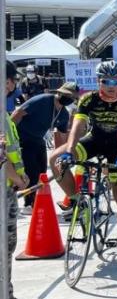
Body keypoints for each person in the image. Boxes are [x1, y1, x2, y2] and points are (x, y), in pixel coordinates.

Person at [50, 60, 117, 260]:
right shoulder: (87, 99)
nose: (111, 87)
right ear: (98, 81)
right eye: (106, 81)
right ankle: (77, 202)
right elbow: (78, 126)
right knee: (56, 161)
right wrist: (70, 150)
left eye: (116, 81)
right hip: (95, 140)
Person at [11, 80, 76, 209]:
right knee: (32, 172)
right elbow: (17, 114)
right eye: (66, 95)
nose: (68, 98)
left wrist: (59, 156)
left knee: (42, 171)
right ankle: (29, 203)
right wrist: (11, 137)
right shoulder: (43, 100)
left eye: (72, 97)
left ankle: (33, 199)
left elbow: (61, 137)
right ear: (59, 92)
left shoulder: (64, 114)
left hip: (38, 139)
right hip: (22, 138)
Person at [1, 102, 35, 299]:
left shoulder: (4, 113)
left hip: (8, 187)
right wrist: (18, 178)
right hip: (4, 189)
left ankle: (7, 298)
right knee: (4, 246)